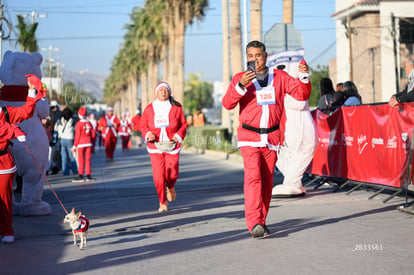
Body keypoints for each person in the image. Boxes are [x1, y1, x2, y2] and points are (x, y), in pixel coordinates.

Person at [222, 40, 311, 238]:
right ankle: (253, 222)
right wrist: (240, 86)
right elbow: (227, 103)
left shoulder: (280, 77)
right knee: (253, 177)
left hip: (271, 137)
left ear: (266, 55)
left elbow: (302, 94)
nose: (255, 60)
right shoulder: (240, 78)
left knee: (266, 181)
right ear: (247, 58)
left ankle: (261, 221)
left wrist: (304, 76)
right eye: (251, 56)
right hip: (249, 136)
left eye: (258, 56)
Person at [0, 74, 46, 243]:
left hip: (3, 164)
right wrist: (13, 131)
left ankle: (6, 230)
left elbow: (26, 112)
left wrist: (32, 91)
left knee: (5, 200)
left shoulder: (4, 112)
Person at [140, 82, 188, 213]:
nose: (163, 92)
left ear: (169, 92)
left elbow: (184, 124)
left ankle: (171, 186)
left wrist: (178, 135)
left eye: (166, 90)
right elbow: (143, 126)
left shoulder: (176, 107)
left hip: (172, 145)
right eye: (161, 90)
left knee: (173, 174)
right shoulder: (149, 109)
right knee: (158, 176)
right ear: (156, 92)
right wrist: (148, 134)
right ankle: (162, 202)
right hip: (155, 147)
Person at [72, 107, 96, 182]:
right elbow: (93, 135)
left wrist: (74, 146)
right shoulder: (89, 123)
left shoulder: (79, 124)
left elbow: (77, 136)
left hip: (80, 144)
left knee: (81, 160)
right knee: (88, 160)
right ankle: (88, 175)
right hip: (88, 143)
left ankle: (81, 176)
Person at [55, 107, 78, 176]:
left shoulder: (59, 121)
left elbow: (55, 128)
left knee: (64, 156)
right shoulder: (73, 121)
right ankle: (74, 170)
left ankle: (65, 171)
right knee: (72, 156)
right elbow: (75, 129)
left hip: (62, 139)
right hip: (70, 139)